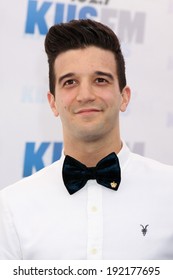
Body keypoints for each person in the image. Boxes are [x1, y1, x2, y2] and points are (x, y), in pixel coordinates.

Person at [0, 19, 173, 260]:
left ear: (124, 97)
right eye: (70, 82)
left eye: (100, 80)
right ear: (53, 103)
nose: (85, 95)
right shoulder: (12, 206)